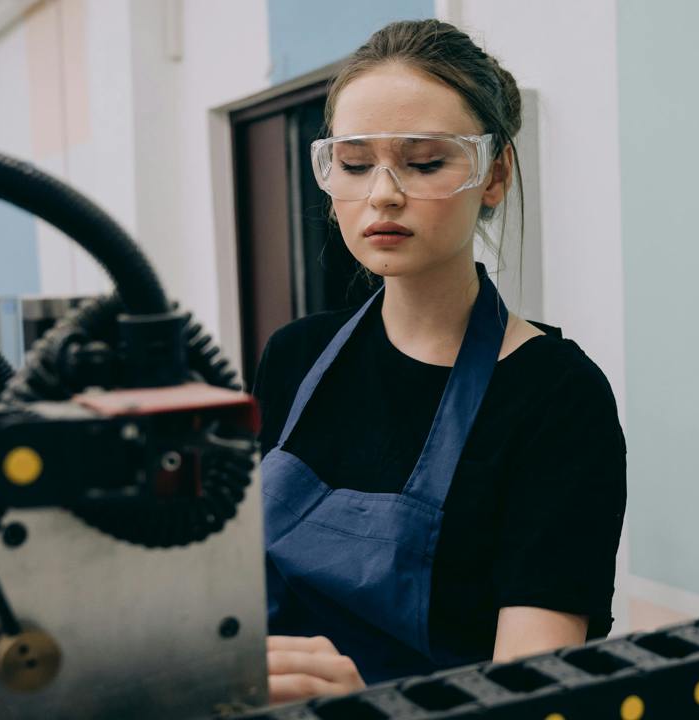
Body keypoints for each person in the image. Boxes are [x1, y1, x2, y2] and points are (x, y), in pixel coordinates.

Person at [252, 18, 626, 704]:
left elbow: (532, 696)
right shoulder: (293, 358)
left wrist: (368, 707)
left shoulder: (557, 398)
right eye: (356, 164)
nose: (383, 194)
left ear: (494, 175)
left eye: (425, 162)